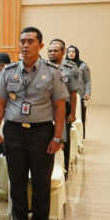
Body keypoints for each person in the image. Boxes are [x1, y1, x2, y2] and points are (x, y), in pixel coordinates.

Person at [0, 27, 67, 220]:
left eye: (30, 41)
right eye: (22, 41)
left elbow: (60, 106)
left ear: (40, 45)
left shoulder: (52, 72)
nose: (25, 45)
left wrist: (58, 137)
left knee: (41, 181)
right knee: (16, 180)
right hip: (14, 131)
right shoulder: (8, 71)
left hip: (41, 132)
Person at [47, 39, 79, 177]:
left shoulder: (70, 69)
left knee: (63, 139)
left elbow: (73, 93)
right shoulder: (43, 67)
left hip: (64, 108)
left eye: (55, 51)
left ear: (63, 52)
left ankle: (64, 168)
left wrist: (72, 113)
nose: (52, 53)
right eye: (50, 51)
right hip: (46, 107)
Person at [66, 45, 90, 139]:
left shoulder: (83, 65)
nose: (71, 53)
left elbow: (87, 81)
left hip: (80, 94)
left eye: (73, 52)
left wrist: (88, 92)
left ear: (76, 53)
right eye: (69, 52)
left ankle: (81, 137)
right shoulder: (63, 65)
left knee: (81, 115)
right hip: (67, 95)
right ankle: (69, 136)